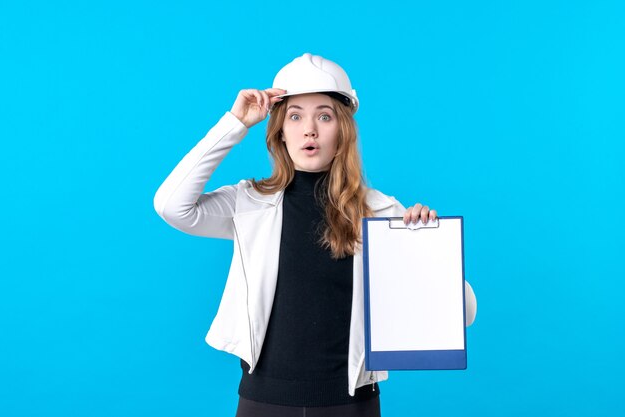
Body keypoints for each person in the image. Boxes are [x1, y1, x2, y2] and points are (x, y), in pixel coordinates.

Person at [154, 53, 477, 417]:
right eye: (295, 116)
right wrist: (235, 124)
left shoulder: (381, 212)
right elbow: (171, 205)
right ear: (279, 131)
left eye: (324, 116)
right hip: (264, 401)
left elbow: (462, 314)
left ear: (342, 130)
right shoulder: (248, 203)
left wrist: (424, 248)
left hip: (351, 404)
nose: (310, 129)